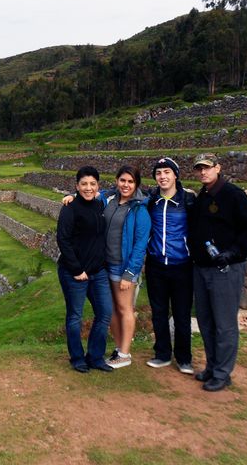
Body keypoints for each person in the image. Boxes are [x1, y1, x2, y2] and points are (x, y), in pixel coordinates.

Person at [188, 153, 247, 391]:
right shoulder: (203, 196)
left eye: (207, 168)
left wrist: (235, 251)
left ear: (217, 168)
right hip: (201, 268)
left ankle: (222, 372)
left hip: (225, 268)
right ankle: (212, 366)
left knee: (224, 323)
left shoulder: (233, 195)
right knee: (206, 321)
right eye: (199, 169)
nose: (203, 172)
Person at [64, 165, 151, 368]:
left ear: (136, 184)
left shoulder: (140, 209)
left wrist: (130, 273)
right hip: (105, 266)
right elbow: (88, 191)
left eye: (130, 181)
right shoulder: (109, 199)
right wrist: (71, 196)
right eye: (123, 180)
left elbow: (140, 245)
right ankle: (119, 349)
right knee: (109, 311)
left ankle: (125, 353)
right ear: (116, 181)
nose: (126, 185)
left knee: (125, 308)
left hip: (124, 268)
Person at [56, 165, 113, 373]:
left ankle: (96, 357)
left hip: (98, 272)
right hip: (75, 273)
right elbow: (63, 239)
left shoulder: (100, 204)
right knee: (75, 317)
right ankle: (77, 358)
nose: (88, 188)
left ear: (98, 186)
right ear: (76, 186)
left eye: (92, 184)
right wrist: (77, 269)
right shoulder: (70, 208)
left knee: (105, 313)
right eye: (84, 184)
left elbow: (124, 190)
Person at [144, 157, 195, 374]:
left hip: (182, 265)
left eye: (166, 172)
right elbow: (119, 190)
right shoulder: (151, 199)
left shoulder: (189, 200)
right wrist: (72, 195)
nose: (162, 176)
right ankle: (162, 353)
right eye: (158, 173)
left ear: (175, 175)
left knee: (182, 314)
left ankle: (184, 358)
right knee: (159, 312)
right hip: (156, 264)